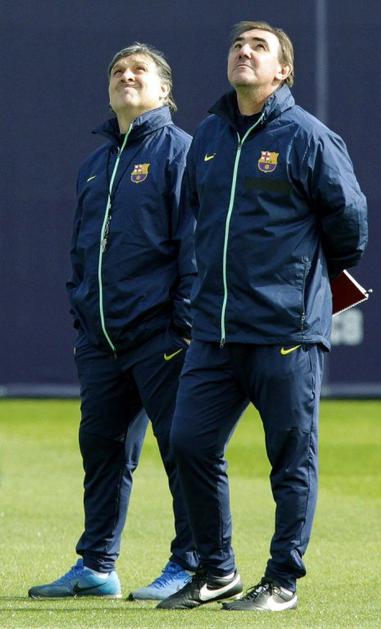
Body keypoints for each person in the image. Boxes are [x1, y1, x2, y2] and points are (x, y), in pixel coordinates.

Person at [158, 21, 368, 612]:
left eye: (258, 47)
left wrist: (300, 281)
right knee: (188, 444)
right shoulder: (208, 134)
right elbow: (197, 212)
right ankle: (217, 571)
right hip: (216, 332)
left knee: (290, 461)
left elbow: (350, 225)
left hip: (285, 331)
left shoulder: (308, 136)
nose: (244, 52)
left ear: (283, 70)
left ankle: (281, 581)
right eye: (237, 45)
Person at [28, 42, 198, 600]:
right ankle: (97, 565)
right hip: (102, 339)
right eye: (118, 71)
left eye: (139, 70)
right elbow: (83, 251)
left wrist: (183, 326)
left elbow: (194, 246)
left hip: (161, 336)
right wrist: (83, 318)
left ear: (164, 90)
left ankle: (190, 563)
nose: (127, 76)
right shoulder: (95, 165)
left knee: (182, 452)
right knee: (101, 451)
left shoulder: (180, 153)